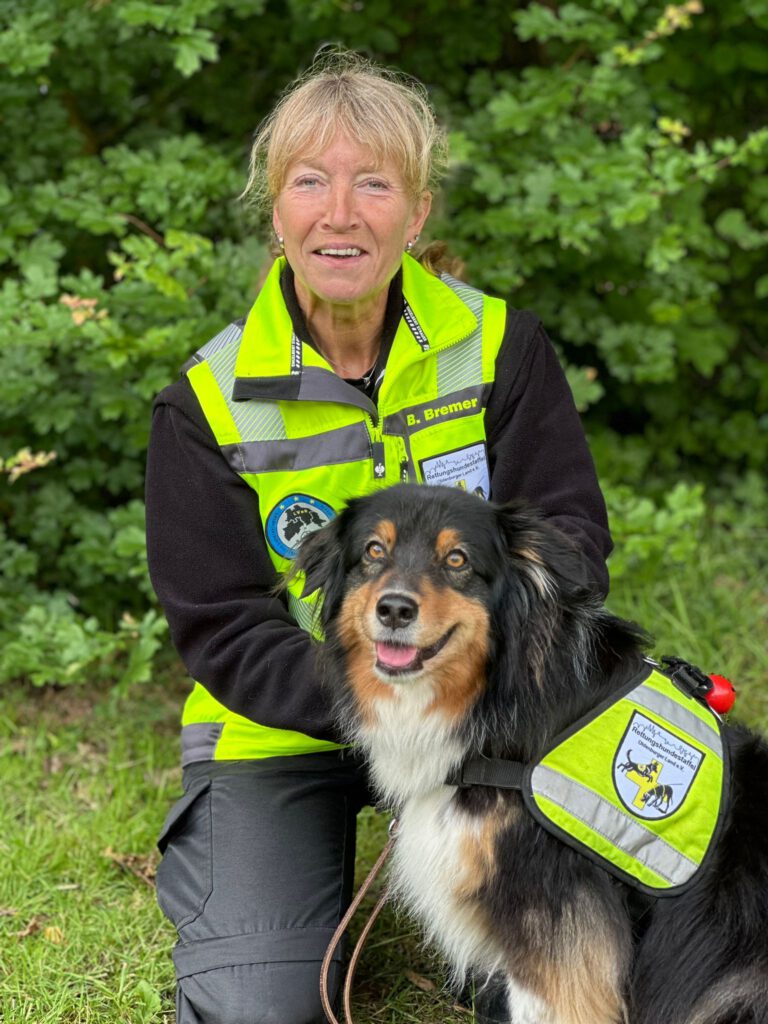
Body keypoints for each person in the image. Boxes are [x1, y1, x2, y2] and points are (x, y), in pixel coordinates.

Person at [145, 51, 612, 1024]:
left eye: (373, 183)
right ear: (276, 212)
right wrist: (380, 703)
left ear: (418, 212)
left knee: (564, 965)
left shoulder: (500, 347)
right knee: (260, 1005)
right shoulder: (204, 403)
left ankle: (463, 908)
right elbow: (223, 627)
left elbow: (567, 545)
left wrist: (462, 692)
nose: (341, 211)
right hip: (289, 718)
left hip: (490, 714)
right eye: (310, 182)